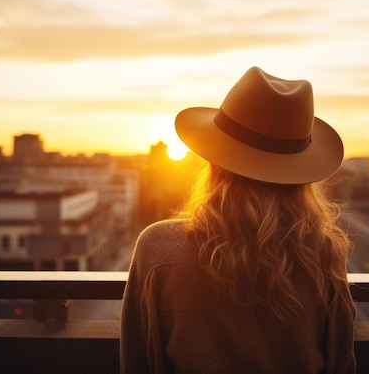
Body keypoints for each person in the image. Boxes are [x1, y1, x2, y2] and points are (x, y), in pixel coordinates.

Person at [120, 66, 356, 374]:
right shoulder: (322, 254)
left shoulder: (159, 247)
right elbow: (341, 364)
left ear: (216, 162)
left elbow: (137, 361)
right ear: (301, 177)